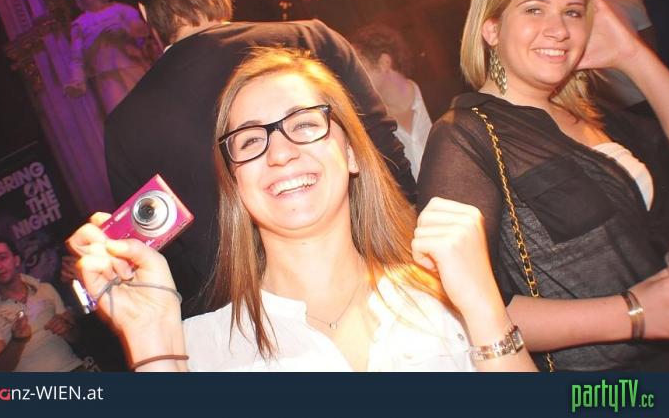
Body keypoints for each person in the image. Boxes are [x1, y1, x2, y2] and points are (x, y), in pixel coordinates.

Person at [68, 48, 536, 372]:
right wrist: (151, 340)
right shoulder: (193, 352)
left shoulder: (449, 299)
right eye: (250, 140)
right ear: (235, 183)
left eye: (306, 124)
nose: (280, 152)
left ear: (351, 152)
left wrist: (485, 310)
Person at [105, 0, 415, 316]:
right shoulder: (308, 39)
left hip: (240, 319)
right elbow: (383, 152)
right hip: (375, 278)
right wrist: (417, 245)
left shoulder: (125, 124)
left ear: (145, 14)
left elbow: (157, 254)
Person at [418, 0, 669, 371]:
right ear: (492, 28)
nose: (559, 29)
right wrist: (634, 313)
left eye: (572, 12)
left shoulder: (597, 115)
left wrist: (631, 54)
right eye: (534, 9)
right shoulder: (467, 135)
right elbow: (465, 311)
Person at [0, 240, 84, 372]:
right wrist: (17, 341)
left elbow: (76, 337)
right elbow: (1, 369)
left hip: (74, 368)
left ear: (16, 260)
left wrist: (66, 327)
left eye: (2, 258)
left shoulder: (45, 289)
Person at [350, 24, 433, 180]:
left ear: (384, 63)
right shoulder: (372, 128)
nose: (353, 78)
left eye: (359, 68)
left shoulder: (449, 99)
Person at [64, 0, 153, 117]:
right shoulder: (79, 25)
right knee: (123, 116)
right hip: (106, 77)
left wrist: (125, 30)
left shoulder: (120, 9)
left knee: (149, 108)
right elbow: (76, 57)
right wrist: (77, 80)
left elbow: (144, 30)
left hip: (132, 65)